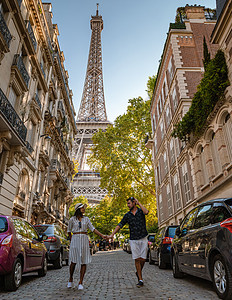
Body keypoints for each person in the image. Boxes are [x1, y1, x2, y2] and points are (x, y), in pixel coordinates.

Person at [108, 197, 149, 288]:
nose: (128, 205)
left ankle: (138, 272)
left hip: (143, 237)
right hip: (133, 239)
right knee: (137, 259)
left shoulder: (141, 211)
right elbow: (120, 224)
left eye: (129, 203)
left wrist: (139, 203)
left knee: (143, 259)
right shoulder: (127, 215)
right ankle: (140, 279)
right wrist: (112, 234)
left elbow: (146, 212)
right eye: (127, 204)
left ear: (134, 203)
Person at [67, 203, 105, 289]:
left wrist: (101, 235)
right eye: (82, 208)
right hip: (75, 239)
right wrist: (72, 239)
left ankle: (80, 282)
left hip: (84, 239)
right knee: (73, 260)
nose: (84, 209)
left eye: (84, 208)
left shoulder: (86, 219)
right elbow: (69, 230)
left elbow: (93, 229)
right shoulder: (72, 219)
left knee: (84, 261)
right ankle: (70, 279)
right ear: (78, 209)